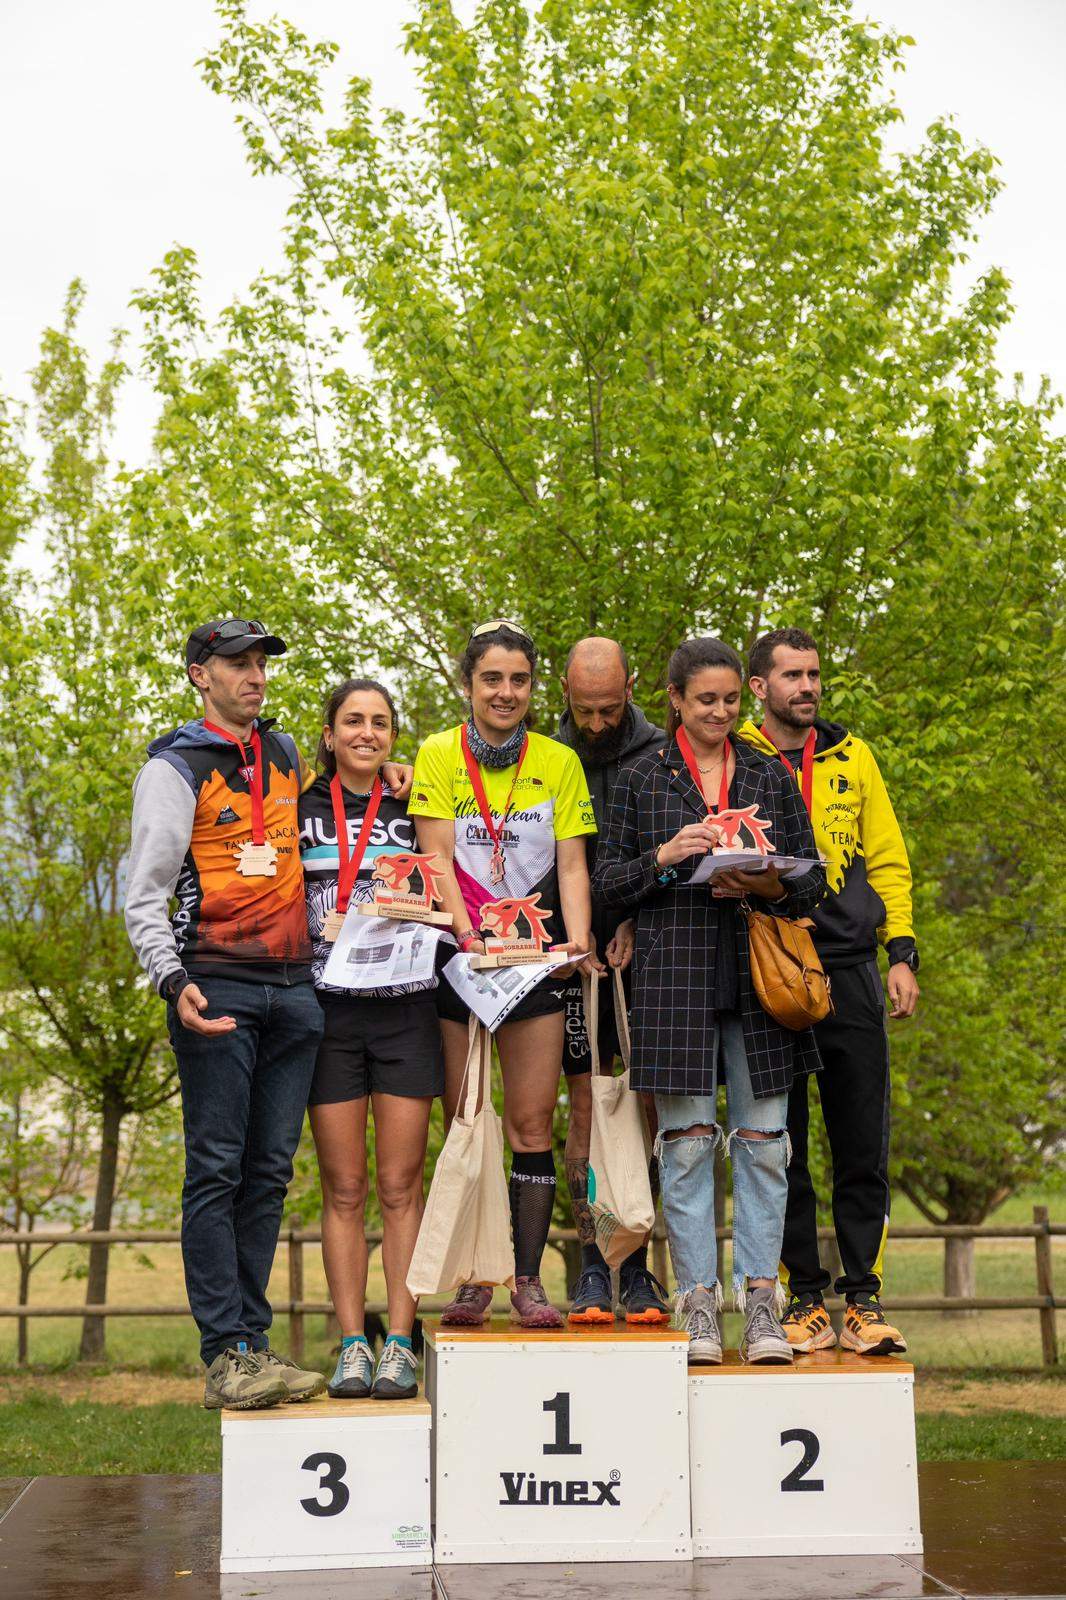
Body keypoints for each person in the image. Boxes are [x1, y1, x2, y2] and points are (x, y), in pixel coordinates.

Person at [123, 619, 411, 1410]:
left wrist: (401, 772)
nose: (253, 677)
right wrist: (170, 978)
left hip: (296, 991)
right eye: (235, 665)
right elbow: (144, 894)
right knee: (215, 1169)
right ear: (197, 675)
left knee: (269, 1176)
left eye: (259, 665)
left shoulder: (282, 755)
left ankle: (253, 1343)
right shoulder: (175, 767)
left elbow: (352, 782)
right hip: (216, 985)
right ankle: (225, 1354)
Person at [592, 637, 826, 1366]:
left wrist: (763, 881)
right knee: (687, 1149)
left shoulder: (771, 774)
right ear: (674, 699)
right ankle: (697, 1303)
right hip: (676, 980)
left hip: (760, 981)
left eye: (730, 699)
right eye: (705, 700)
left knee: (764, 1149)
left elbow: (812, 883)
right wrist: (664, 861)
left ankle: (761, 1304)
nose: (720, 712)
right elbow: (608, 885)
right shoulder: (641, 778)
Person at [408, 620, 599, 1329]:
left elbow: (573, 864)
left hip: (533, 962)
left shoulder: (559, 761)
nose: (506, 692)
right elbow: (434, 858)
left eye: (519, 680)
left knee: (529, 1124)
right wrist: (465, 936)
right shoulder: (436, 755)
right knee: (467, 1118)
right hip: (461, 964)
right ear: (468, 685)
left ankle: (526, 1277)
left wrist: (578, 938)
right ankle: (470, 1277)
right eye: (492, 679)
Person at [741, 627, 919, 1356]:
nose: (807, 687)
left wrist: (901, 952)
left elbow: (888, 859)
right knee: (780, 1145)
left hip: (850, 968)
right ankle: (804, 1297)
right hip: (773, 967)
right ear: (760, 686)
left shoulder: (854, 757)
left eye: (814, 674)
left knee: (861, 1140)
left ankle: (863, 1301)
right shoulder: (740, 757)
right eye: (792, 676)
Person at [299, 678, 445, 1401]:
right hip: (326, 1014)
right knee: (345, 1187)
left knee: (399, 1184)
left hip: (406, 1008)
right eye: (351, 721)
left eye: (379, 722)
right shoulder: (295, 808)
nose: (365, 732)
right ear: (327, 734)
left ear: (393, 736)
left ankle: (401, 1343)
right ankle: (353, 1341)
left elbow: (453, 887)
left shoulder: (417, 802)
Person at [554, 636, 670, 1325]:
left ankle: (641, 1270)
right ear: (565, 695)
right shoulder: (549, 756)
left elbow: (672, 852)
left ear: (631, 684)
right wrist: (579, 935)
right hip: (573, 957)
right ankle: (594, 1264)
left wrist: (631, 920)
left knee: (650, 1111)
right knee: (586, 1111)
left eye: (608, 707)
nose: (596, 723)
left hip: (645, 949)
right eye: (583, 709)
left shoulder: (662, 752)